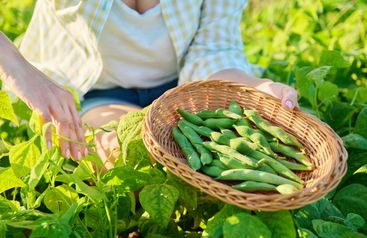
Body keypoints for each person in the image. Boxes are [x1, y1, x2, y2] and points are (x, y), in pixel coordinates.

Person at [0, 0, 299, 168]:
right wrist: (16, 67)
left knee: (217, 157)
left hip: (182, 92)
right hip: (101, 91)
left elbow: (213, 50)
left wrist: (254, 87)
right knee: (130, 156)